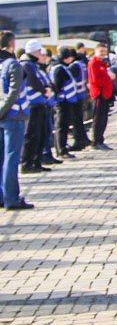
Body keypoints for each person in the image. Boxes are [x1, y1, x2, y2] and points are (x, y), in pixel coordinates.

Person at [0, 31, 34, 211]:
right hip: (13, 115)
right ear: (12, 45)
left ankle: (2, 196)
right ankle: (12, 198)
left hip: (3, 116)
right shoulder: (12, 64)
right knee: (12, 158)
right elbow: (14, 93)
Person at [19, 41, 54, 174]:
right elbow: (33, 81)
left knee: (41, 134)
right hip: (33, 104)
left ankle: (36, 161)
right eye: (40, 51)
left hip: (40, 103)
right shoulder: (27, 65)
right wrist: (44, 90)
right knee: (32, 135)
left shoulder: (34, 65)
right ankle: (27, 163)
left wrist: (48, 88)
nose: (42, 54)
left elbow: (44, 80)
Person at [50, 48, 82, 159]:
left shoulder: (60, 67)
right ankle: (61, 150)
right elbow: (57, 86)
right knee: (62, 126)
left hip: (65, 101)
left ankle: (61, 148)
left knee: (62, 126)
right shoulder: (60, 69)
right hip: (62, 102)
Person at [87, 40, 115, 151]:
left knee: (103, 119)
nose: (103, 53)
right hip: (99, 94)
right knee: (98, 119)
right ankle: (95, 141)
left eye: (105, 51)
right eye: (101, 51)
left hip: (106, 94)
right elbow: (95, 80)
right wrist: (109, 78)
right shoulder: (93, 63)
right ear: (96, 51)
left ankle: (100, 139)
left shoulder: (103, 63)